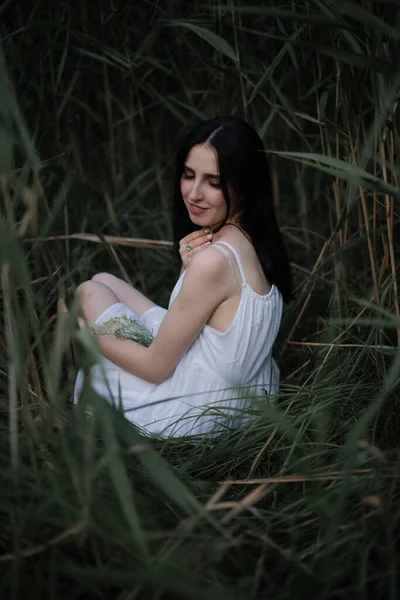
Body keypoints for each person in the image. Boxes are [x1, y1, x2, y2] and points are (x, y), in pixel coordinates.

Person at [73, 116, 293, 437]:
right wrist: (185, 271)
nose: (193, 193)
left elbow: (155, 368)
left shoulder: (215, 260)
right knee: (104, 278)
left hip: (196, 413)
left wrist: (91, 340)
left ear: (244, 186)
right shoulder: (256, 239)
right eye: (189, 176)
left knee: (88, 292)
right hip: (247, 398)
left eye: (213, 182)